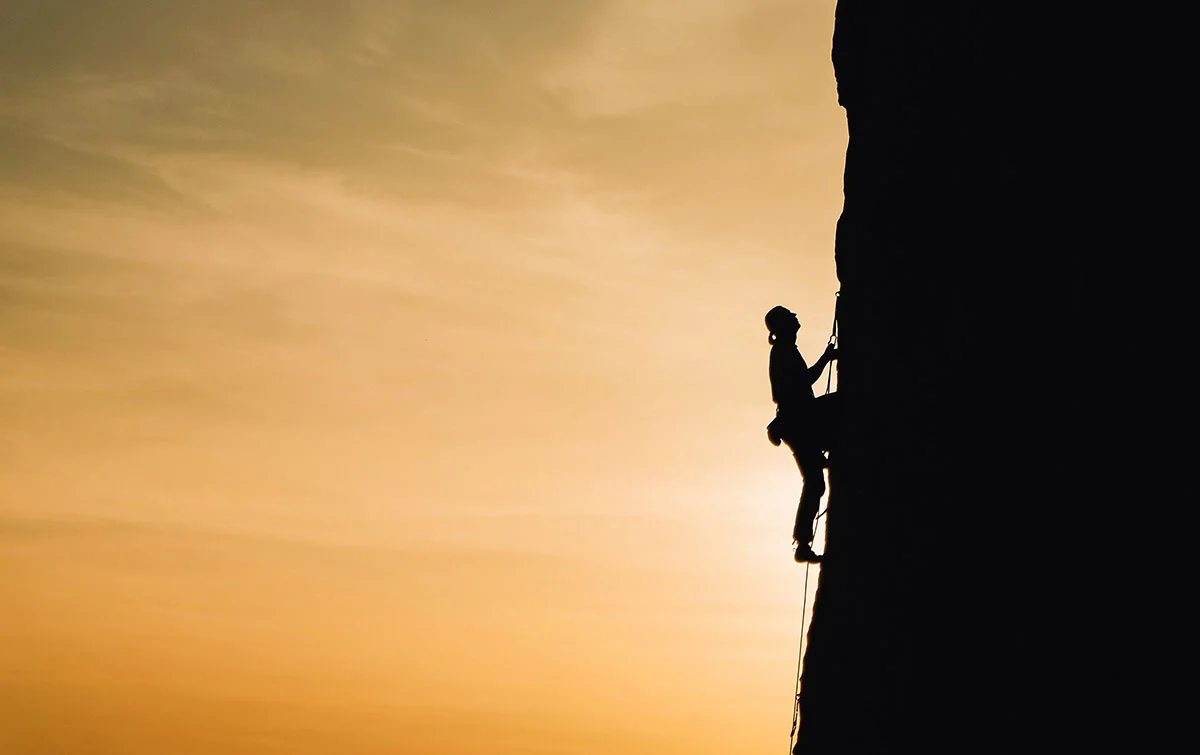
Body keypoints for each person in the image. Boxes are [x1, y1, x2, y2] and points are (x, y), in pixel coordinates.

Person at [764, 305, 838, 563]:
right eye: (790, 316)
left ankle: (803, 543)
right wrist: (826, 358)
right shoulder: (783, 352)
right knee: (815, 482)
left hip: (797, 421)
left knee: (815, 482)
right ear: (783, 326)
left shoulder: (785, 350)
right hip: (798, 421)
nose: (795, 317)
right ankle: (802, 543)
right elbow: (804, 381)